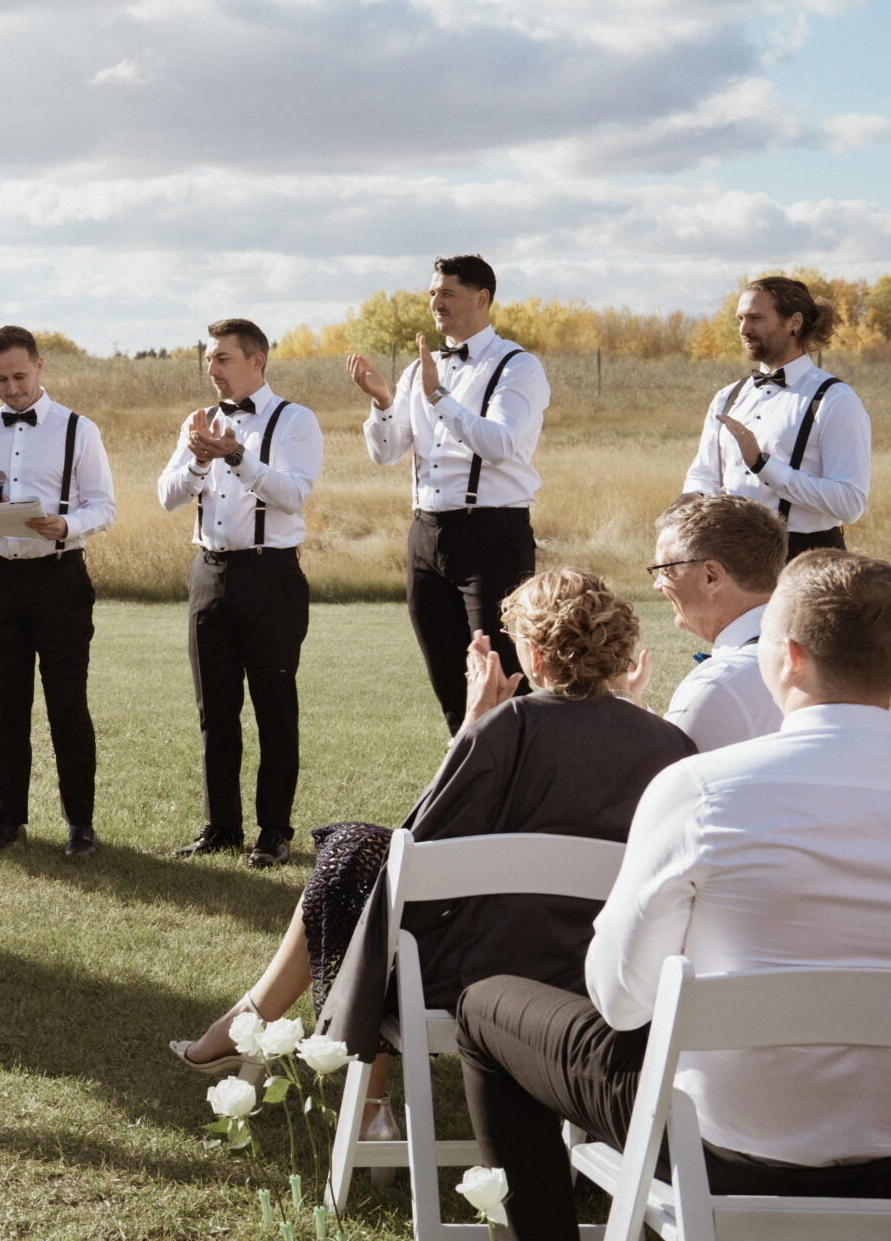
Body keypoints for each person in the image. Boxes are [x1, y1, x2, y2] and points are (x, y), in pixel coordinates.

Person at [453, 551, 891, 1240]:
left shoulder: (704, 790)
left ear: (790, 657)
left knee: (483, 1009)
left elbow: (621, 998)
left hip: (724, 1153)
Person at [169, 571, 693, 1145]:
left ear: (537, 656)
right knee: (357, 856)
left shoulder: (509, 729)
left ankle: (347, 1087)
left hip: (479, 975)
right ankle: (281, 1041)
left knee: (357, 861)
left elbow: (413, 862)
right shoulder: (671, 745)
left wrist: (472, 726)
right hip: (608, 969)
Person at [350, 255, 552, 734]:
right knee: (446, 677)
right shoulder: (420, 370)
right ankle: (467, 784)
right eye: (432, 293)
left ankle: (517, 795)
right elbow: (387, 453)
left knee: (503, 677)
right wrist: (382, 402)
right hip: (425, 534)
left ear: (481, 299)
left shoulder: (517, 366)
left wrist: (439, 396)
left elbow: (499, 444)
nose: (435, 303)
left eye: (447, 293)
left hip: (491, 535)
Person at [158, 319, 323, 868]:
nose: (212, 369)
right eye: (208, 359)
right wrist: (200, 460)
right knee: (215, 710)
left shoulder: (296, 421)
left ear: (258, 361)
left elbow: (294, 495)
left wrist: (236, 457)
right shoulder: (196, 421)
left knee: (275, 707)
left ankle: (274, 830)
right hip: (208, 573)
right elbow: (166, 497)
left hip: (269, 575)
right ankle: (221, 826)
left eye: (223, 358)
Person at [0, 325, 116, 856]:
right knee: (7, 706)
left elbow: (104, 507)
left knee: (67, 703)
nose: (11, 389)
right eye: (0, 379)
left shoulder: (78, 429)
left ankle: (82, 825)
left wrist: (66, 526)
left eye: (19, 376)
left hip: (59, 578)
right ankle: (8, 821)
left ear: (40, 367)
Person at [679, 274, 870, 558]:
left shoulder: (835, 400)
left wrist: (763, 465)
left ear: (794, 323)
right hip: (733, 556)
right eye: (740, 318)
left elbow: (850, 503)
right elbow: (704, 475)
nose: (744, 329)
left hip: (809, 560)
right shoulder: (727, 397)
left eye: (755, 318)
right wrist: (690, 501)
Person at [637, 495, 786, 751]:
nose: (657, 585)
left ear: (711, 576)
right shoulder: (821, 658)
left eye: (665, 569)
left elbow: (657, 774)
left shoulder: (716, 685)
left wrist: (615, 698)